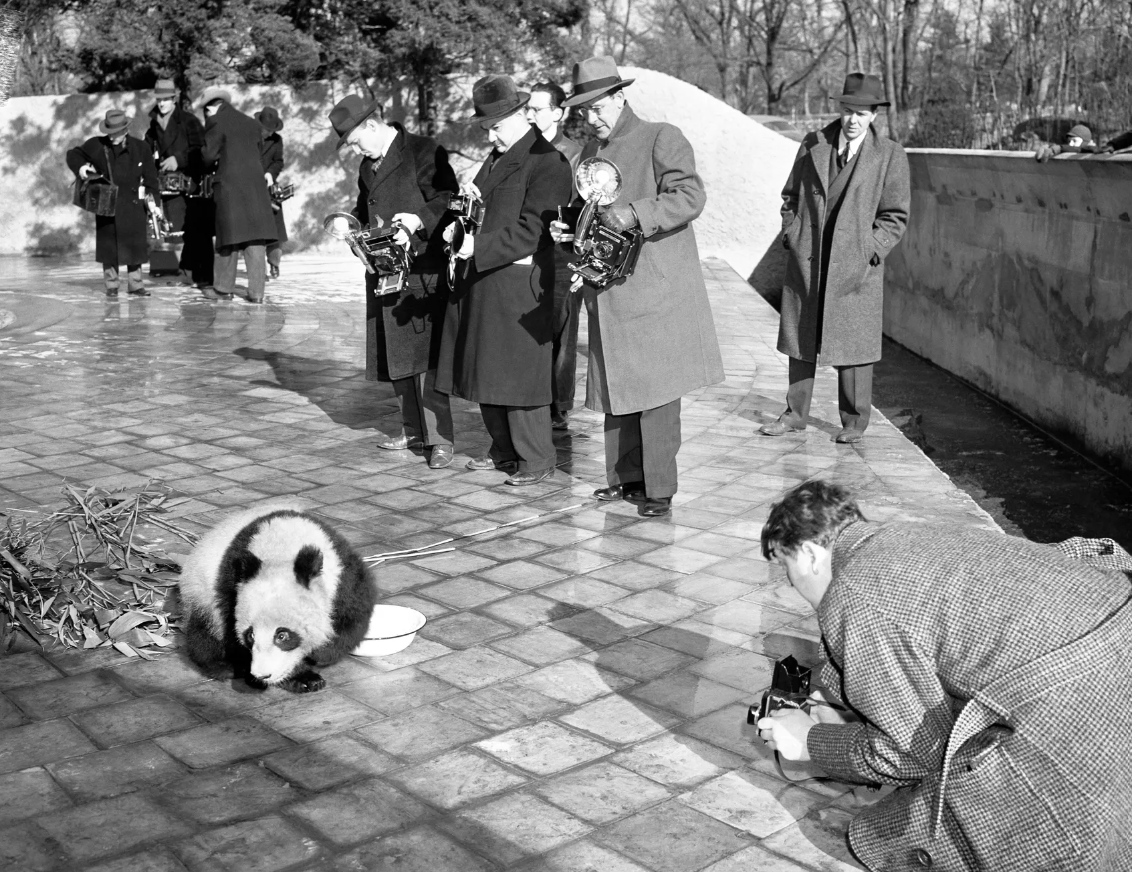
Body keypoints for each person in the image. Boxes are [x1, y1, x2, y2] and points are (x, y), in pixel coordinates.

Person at [757, 479, 1132, 872]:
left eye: (787, 566)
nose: (791, 584)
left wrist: (812, 742)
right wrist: (850, 724)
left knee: (947, 832)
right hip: (1115, 618)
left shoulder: (853, 592)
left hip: (1077, 694)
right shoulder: (905, 534)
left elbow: (912, 754)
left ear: (813, 555)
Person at [551, 56, 724, 517]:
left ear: (620, 96)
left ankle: (659, 488)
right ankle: (624, 478)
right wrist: (570, 233)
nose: (592, 117)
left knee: (657, 392)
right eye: (584, 110)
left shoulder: (660, 136)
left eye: (599, 105)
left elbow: (690, 196)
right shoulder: (589, 157)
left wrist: (636, 213)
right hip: (609, 290)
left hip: (655, 289)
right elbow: (589, 214)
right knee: (617, 388)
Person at [435, 74, 573, 486]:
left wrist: (477, 247)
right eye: (486, 128)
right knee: (487, 372)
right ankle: (504, 450)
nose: (490, 135)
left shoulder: (548, 162)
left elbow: (534, 229)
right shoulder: (497, 157)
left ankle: (536, 459)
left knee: (518, 378)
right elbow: (477, 211)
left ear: (521, 115)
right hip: (486, 280)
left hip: (520, 285)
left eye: (496, 126)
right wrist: (456, 229)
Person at [760, 73, 910, 445]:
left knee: (855, 345)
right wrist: (792, 233)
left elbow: (895, 216)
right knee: (801, 339)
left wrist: (869, 249)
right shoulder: (813, 145)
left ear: (874, 115)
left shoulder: (890, 155)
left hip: (855, 264)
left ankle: (854, 422)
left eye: (861, 113)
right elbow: (790, 197)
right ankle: (795, 415)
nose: (852, 120)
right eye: (847, 111)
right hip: (809, 257)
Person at [329, 94, 460, 470]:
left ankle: (440, 439)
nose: (354, 149)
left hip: (422, 271)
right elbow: (363, 208)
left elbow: (446, 200)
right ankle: (412, 430)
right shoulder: (367, 167)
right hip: (384, 270)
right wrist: (348, 225)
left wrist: (417, 221)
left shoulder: (423, 150)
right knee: (396, 354)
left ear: (372, 125)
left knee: (426, 358)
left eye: (354, 140)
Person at [526, 81, 583, 431]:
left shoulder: (577, 154)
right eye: (527, 109)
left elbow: (587, 207)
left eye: (537, 109)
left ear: (558, 113)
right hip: (527, 250)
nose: (530, 114)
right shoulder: (522, 150)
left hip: (564, 253)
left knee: (563, 331)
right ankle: (529, 396)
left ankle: (559, 404)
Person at [66, 108, 161, 297]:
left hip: (133, 203)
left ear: (126, 130)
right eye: (110, 132)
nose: (112, 136)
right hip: (107, 204)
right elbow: (73, 154)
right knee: (109, 247)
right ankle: (111, 285)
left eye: (116, 132)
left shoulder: (141, 148)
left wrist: (154, 204)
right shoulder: (97, 145)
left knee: (134, 245)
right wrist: (82, 167)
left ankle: (136, 284)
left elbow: (151, 180)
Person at [199, 86, 277, 303]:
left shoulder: (216, 122)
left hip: (230, 187)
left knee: (228, 238)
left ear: (212, 107)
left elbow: (207, 155)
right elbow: (257, 151)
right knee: (255, 238)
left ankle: (223, 290)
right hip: (255, 187)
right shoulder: (252, 123)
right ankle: (257, 293)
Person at [145, 78, 206, 281]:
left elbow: (201, 151)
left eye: (165, 99)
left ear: (174, 99)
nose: (161, 103)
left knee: (188, 231)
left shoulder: (189, 121)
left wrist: (178, 159)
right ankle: (176, 270)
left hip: (188, 185)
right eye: (158, 100)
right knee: (169, 230)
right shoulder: (153, 125)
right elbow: (146, 150)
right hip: (165, 186)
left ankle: (192, 273)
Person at [257, 107, 288, 280]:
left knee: (276, 232)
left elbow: (278, 162)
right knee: (256, 231)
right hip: (251, 186)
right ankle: (258, 269)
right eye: (266, 130)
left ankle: (274, 263)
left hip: (269, 187)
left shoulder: (277, 140)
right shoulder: (249, 138)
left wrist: (270, 174)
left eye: (272, 130)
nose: (269, 133)